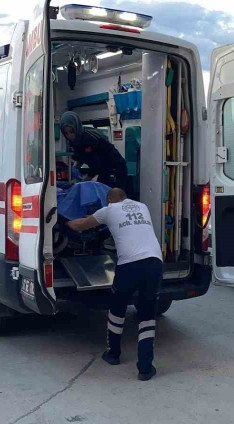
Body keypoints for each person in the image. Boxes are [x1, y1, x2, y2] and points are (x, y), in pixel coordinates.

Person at [67, 188, 163, 381]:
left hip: (129, 265)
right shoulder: (142, 206)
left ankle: (113, 354)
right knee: (147, 314)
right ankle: (145, 369)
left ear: (109, 200)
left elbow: (80, 226)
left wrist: (63, 221)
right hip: (155, 263)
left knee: (117, 308)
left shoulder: (108, 210)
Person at [60, 111, 129, 190]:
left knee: (110, 193)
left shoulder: (88, 138)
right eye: (66, 133)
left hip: (115, 168)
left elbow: (96, 163)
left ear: (76, 128)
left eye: (72, 131)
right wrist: (76, 166)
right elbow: (81, 156)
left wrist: (85, 180)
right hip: (104, 169)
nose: (69, 136)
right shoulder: (75, 141)